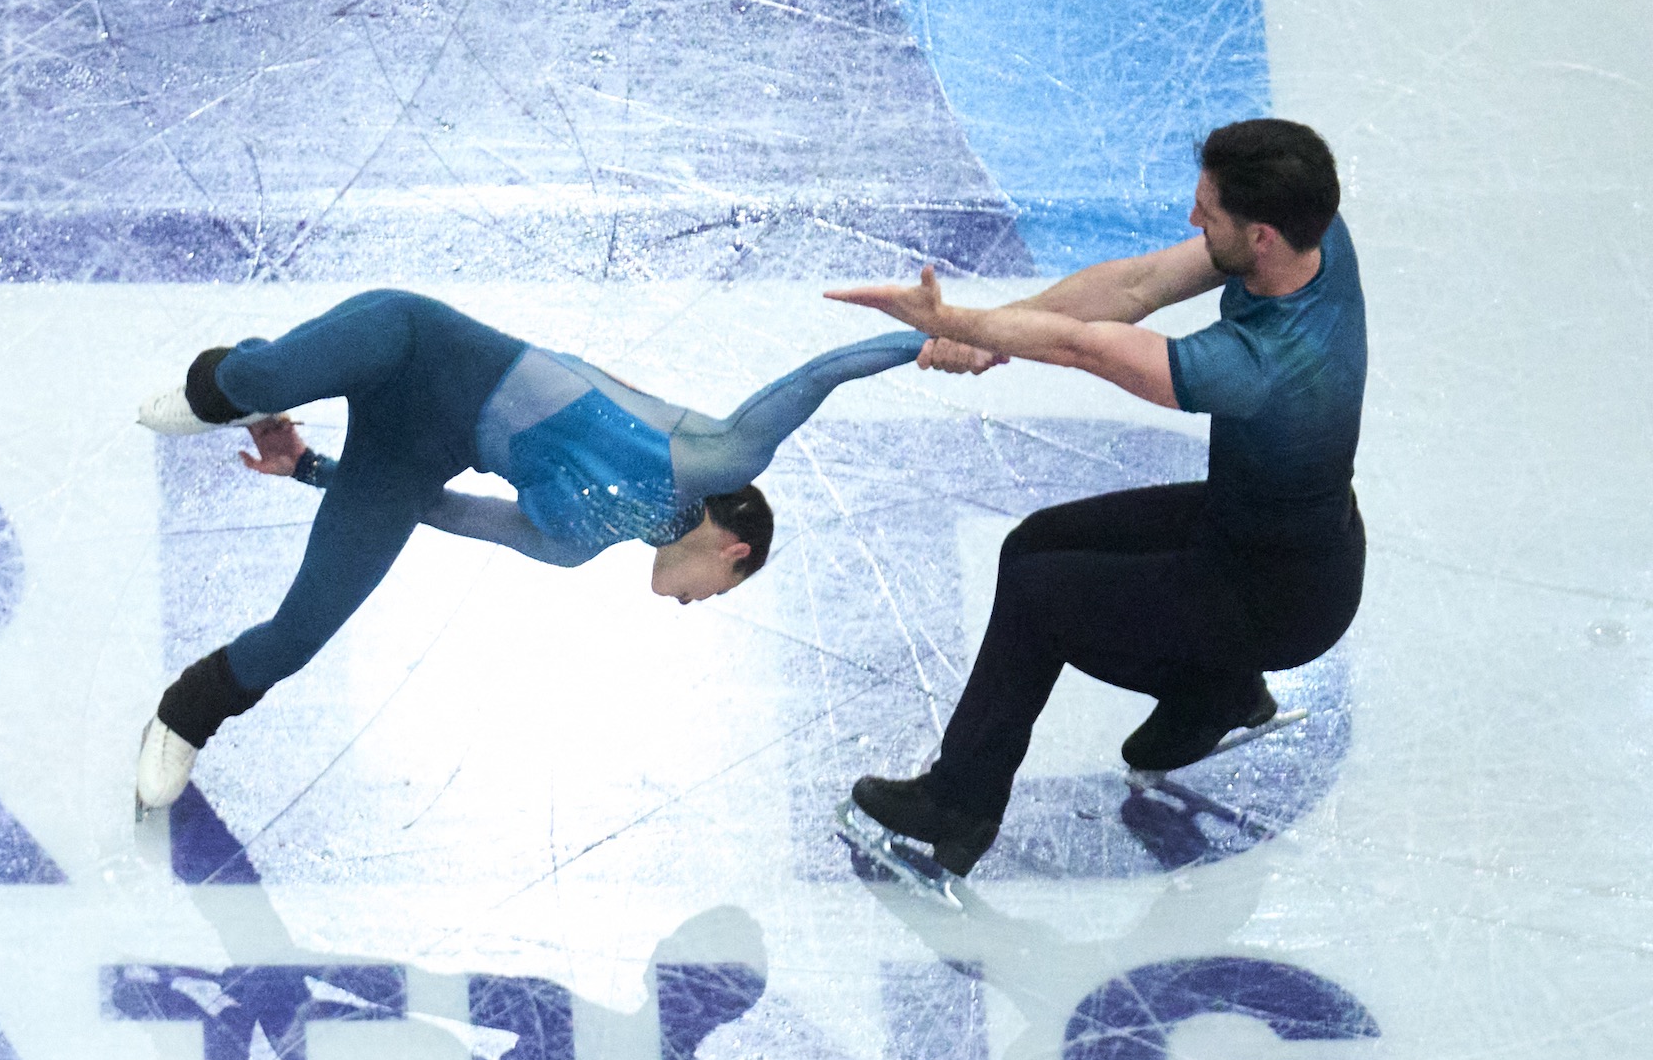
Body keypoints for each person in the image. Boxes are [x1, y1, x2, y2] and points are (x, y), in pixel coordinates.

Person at [128, 293, 926, 805]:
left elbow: (446, 511)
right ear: (734, 552)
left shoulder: (575, 545)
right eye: (713, 595)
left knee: (302, 630)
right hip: (415, 341)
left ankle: (184, 714)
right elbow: (822, 377)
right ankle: (223, 388)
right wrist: (935, 337)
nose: (691, 604)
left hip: (412, 454)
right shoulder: (714, 459)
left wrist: (308, 467)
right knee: (265, 371)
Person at [831, 117, 1361, 877]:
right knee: (1033, 546)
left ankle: (957, 806)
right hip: (1262, 531)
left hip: (1277, 594)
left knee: (1041, 600)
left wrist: (953, 322)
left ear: (1262, 237)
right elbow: (1135, 287)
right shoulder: (1317, 239)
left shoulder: (1262, 364)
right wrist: (992, 335)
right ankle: (1221, 691)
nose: (1192, 220)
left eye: (1207, 213)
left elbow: (1087, 346)